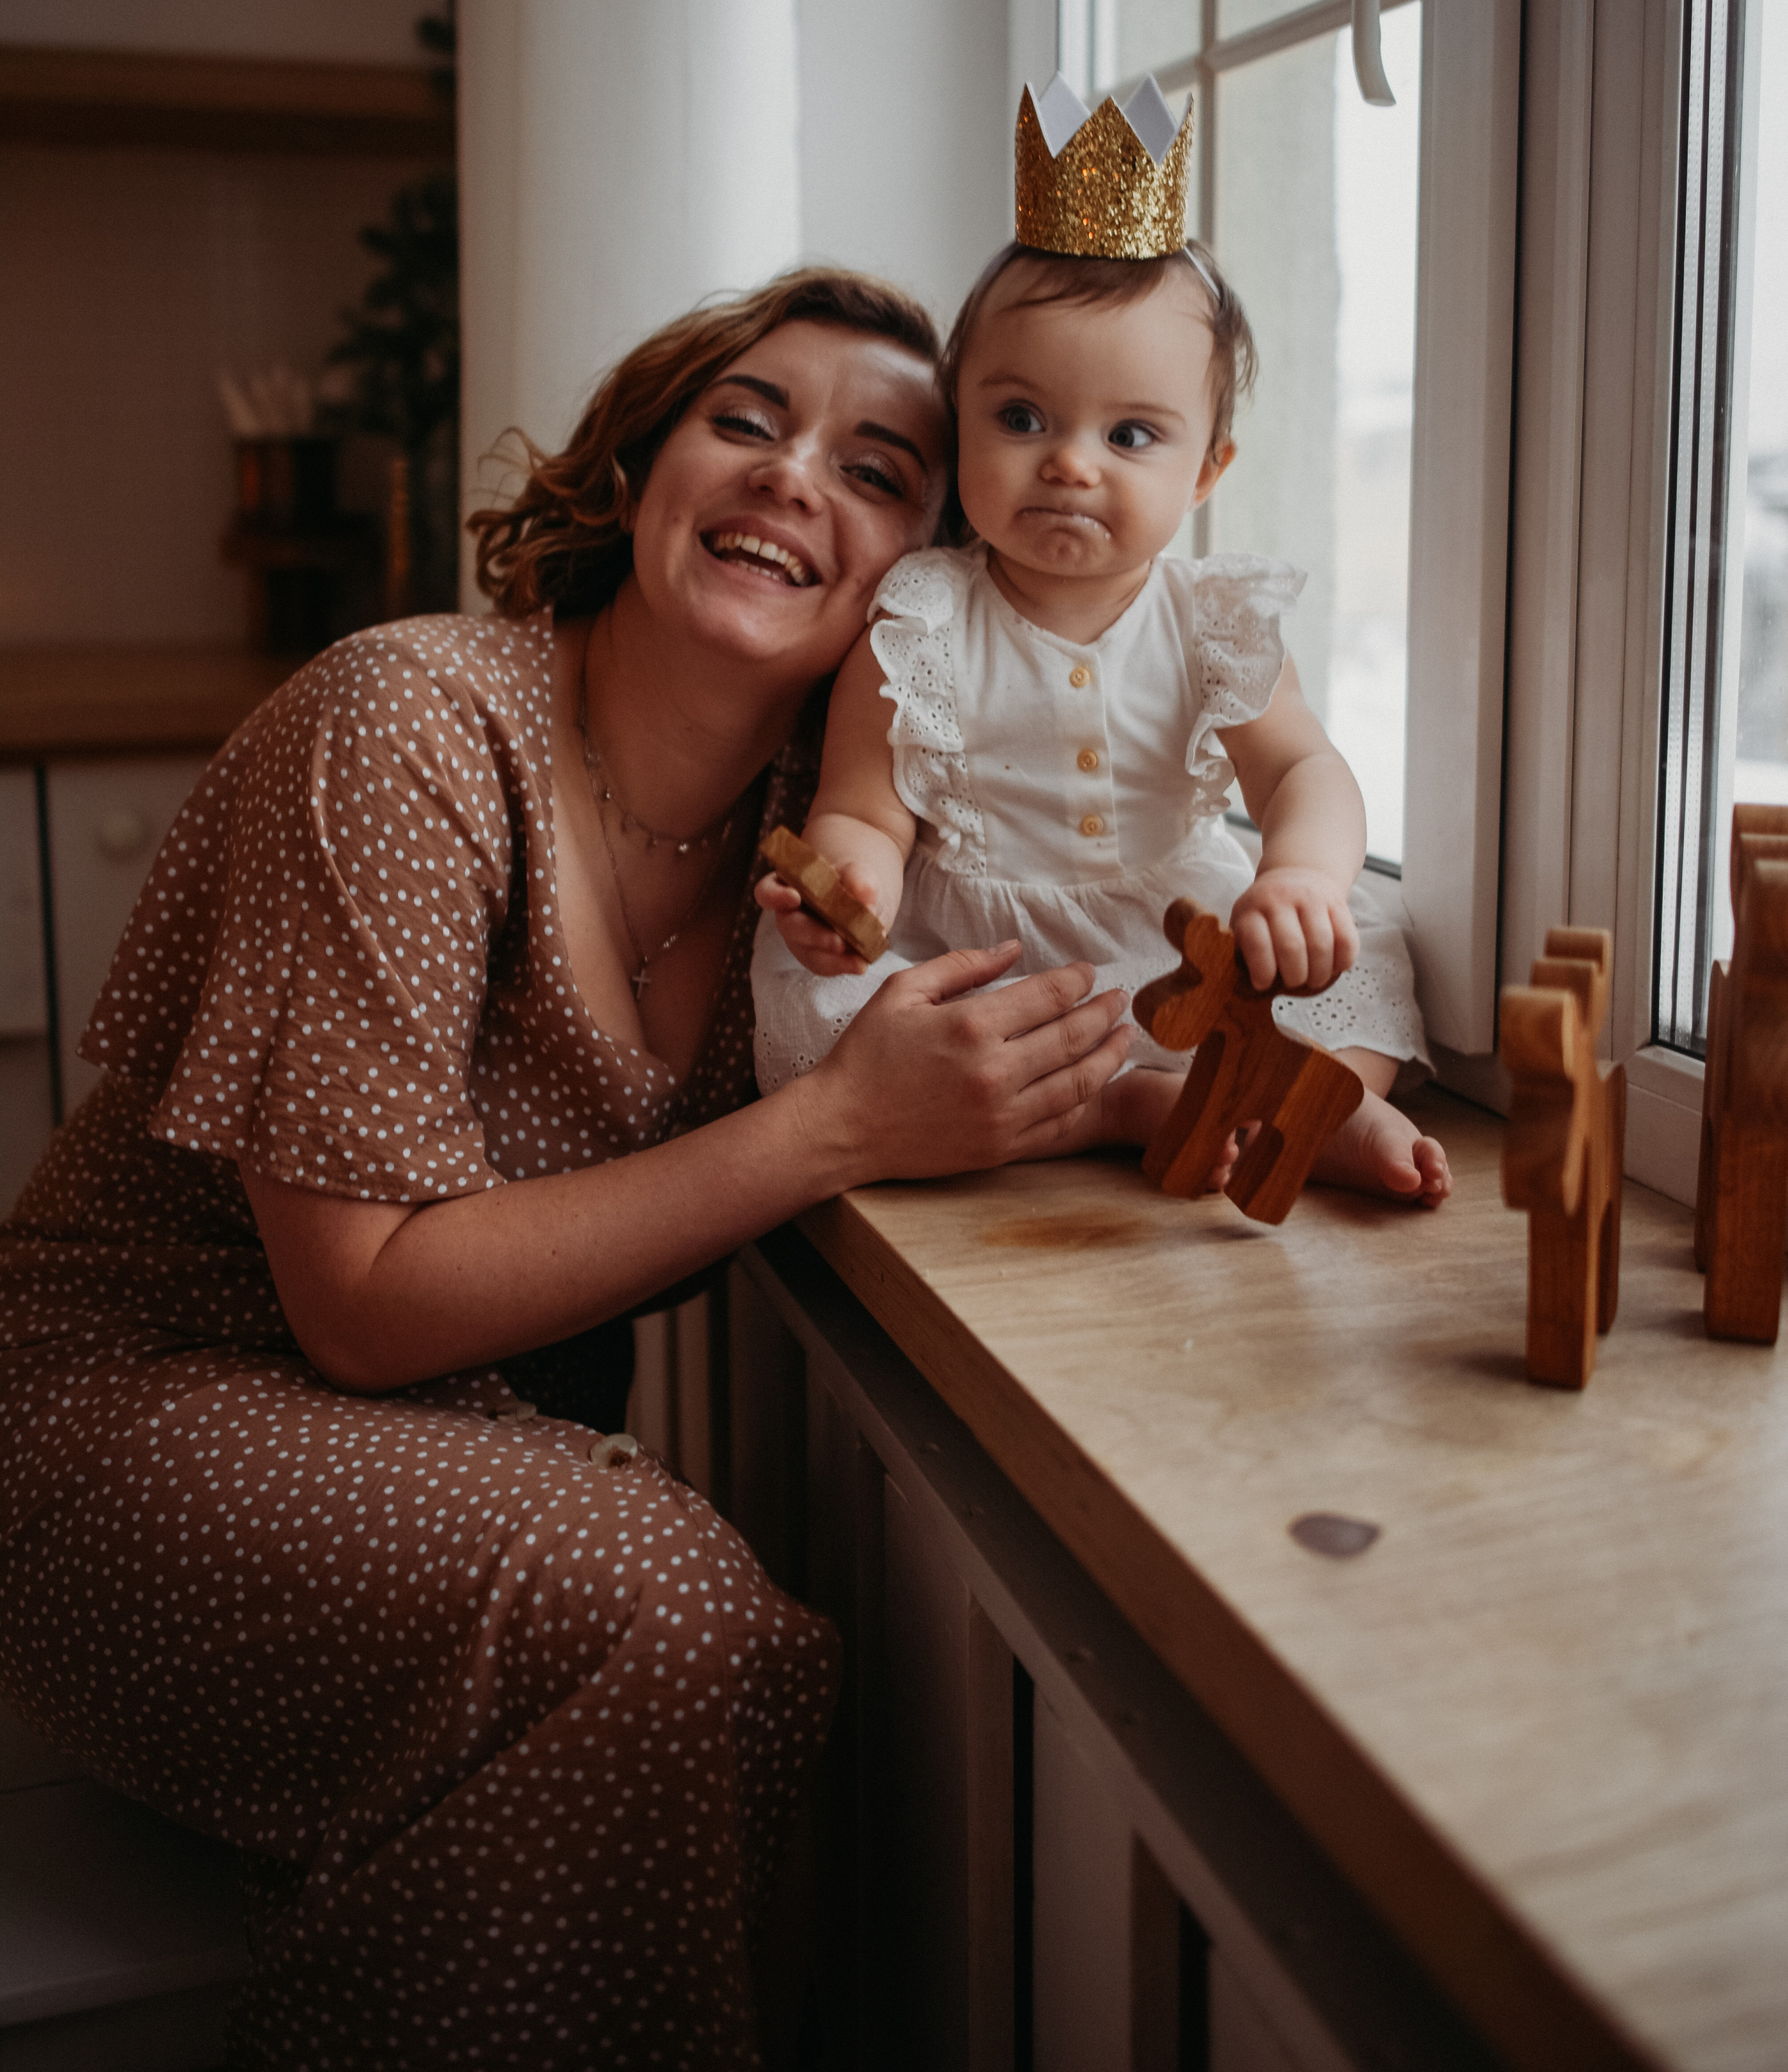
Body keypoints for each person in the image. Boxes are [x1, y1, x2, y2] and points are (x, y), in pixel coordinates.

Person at [0, 268, 1148, 2072]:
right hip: (123, 1415)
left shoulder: (830, 854)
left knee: (724, 1645)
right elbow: (368, 1309)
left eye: (873, 466)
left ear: (923, 584)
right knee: (668, 1606)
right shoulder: (407, 726)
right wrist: (835, 1124)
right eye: (746, 423)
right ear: (640, 469)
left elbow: (1117, 943)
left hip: (449, 1468)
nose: (790, 479)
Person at [753, 79, 1451, 1205]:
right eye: (1021, 418)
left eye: (1130, 434)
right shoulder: (919, 618)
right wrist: (856, 894)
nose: (1071, 461)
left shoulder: (1212, 620)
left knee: (1367, 933)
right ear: (958, 415)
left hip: (1181, 934)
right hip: (987, 965)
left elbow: (1304, 769)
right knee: (862, 1027)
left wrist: (1303, 876)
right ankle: (1126, 1105)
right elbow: (861, 806)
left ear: (1206, 470)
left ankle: (1318, 1099)